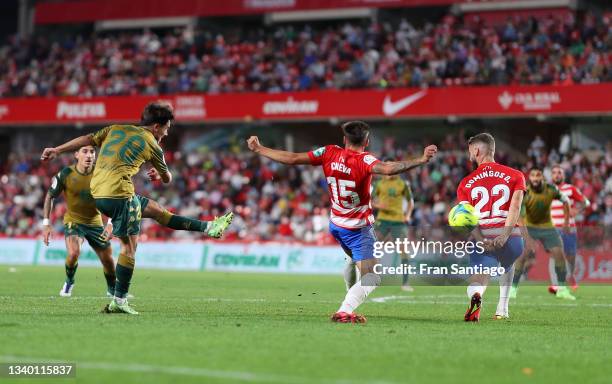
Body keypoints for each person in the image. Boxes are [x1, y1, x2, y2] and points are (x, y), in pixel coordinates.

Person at [41, 102, 234, 314]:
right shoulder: (153, 144)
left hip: (100, 195)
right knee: (129, 249)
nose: (167, 133)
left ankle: (209, 227)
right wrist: (159, 175)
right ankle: (119, 301)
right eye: (167, 128)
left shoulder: (115, 128)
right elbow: (168, 178)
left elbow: (88, 139)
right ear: (157, 127)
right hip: (119, 195)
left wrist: (57, 150)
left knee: (158, 211)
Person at [247, 121, 437, 323]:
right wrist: (421, 159)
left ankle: (350, 294)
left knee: (354, 261)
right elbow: (389, 169)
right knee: (372, 277)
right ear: (367, 141)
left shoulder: (328, 152)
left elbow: (292, 158)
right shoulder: (365, 160)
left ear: (344, 139)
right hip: (358, 228)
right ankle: (345, 309)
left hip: (336, 224)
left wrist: (259, 148)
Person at [456, 133, 526, 321]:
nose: (469, 153)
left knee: (479, 277)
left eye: (470, 149)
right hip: (512, 239)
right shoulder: (516, 175)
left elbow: (467, 219)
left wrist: (480, 239)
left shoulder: (465, 183)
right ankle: (502, 308)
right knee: (508, 264)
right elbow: (516, 207)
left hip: (483, 237)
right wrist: (504, 236)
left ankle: (476, 295)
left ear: (477, 150)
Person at [42, 145, 115, 297]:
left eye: (92, 152)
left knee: (108, 260)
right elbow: (50, 196)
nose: (89, 155)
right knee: (74, 252)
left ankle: (112, 290)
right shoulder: (66, 173)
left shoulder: (102, 174)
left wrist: (110, 224)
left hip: (95, 223)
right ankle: (69, 281)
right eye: (85, 151)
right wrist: (46, 224)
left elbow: (115, 199)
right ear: (76, 155)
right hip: (73, 221)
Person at [511, 167, 575, 300]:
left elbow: (566, 201)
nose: (535, 178)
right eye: (532, 175)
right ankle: (513, 289)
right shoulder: (525, 193)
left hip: (548, 228)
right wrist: (526, 237)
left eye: (538, 175)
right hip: (530, 228)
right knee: (522, 256)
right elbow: (519, 217)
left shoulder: (551, 189)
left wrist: (566, 222)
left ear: (542, 178)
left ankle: (562, 289)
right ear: (530, 178)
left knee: (559, 254)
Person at [548, 164, 590, 292]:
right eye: (554, 172)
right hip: (553, 228)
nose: (557, 175)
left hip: (569, 228)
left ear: (564, 175)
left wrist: (577, 210)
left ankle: (570, 275)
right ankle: (556, 284)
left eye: (559, 172)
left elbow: (586, 202)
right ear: (551, 175)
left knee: (570, 256)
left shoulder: (571, 189)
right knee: (555, 255)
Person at [372, 170, 415, 291]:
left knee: (404, 251)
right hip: (383, 221)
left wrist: (408, 215)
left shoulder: (403, 184)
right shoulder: (379, 184)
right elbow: (370, 201)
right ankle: (371, 278)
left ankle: (405, 283)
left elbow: (411, 202)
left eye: (391, 167)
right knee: (373, 247)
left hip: (398, 221)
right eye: (387, 168)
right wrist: (379, 206)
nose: (389, 171)